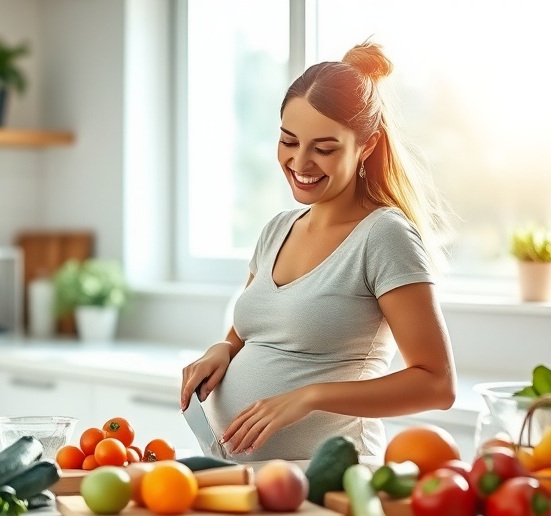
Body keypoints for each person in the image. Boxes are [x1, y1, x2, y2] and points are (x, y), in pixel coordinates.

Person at [179, 41, 457, 462]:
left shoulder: (383, 235)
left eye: (324, 149)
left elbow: (437, 384)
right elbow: (250, 333)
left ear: (366, 146)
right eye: (288, 141)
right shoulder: (277, 229)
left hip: (326, 480)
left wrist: (308, 397)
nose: (300, 162)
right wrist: (223, 350)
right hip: (238, 475)